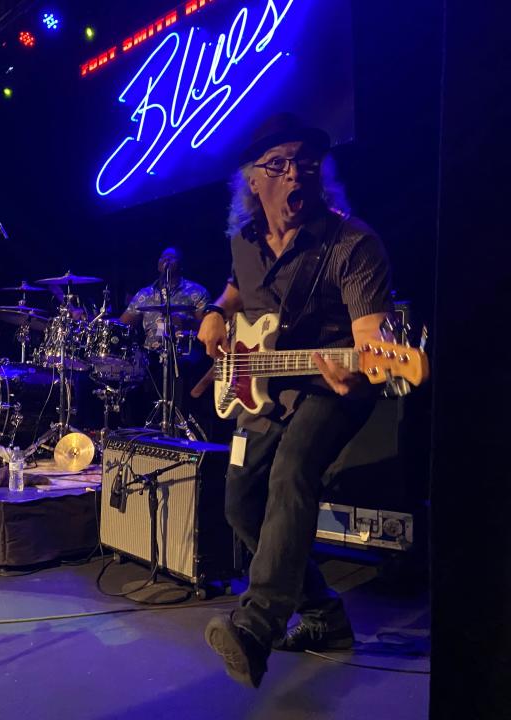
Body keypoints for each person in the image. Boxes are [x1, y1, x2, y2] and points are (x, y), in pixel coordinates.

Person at [198, 113, 392, 687]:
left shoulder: (353, 243)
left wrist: (361, 370)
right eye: (278, 165)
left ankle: (256, 628)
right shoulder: (244, 242)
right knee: (239, 503)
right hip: (263, 389)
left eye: (304, 164)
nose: (293, 176)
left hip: (335, 385)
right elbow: (236, 289)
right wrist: (215, 312)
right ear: (253, 179)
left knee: (291, 473)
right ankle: (326, 617)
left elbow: (373, 347)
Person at [119, 247, 210, 431]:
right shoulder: (144, 294)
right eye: (163, 257)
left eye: (172, 258)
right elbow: (123, 323)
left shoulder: (196, 291)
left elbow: (208, 325)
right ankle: (141, 429)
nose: (166, 261)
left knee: (184, 369)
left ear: (181, 265)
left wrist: (187, 322)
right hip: (151, 355)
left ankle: (178, 428)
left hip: (184, 355)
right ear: (158, 264)